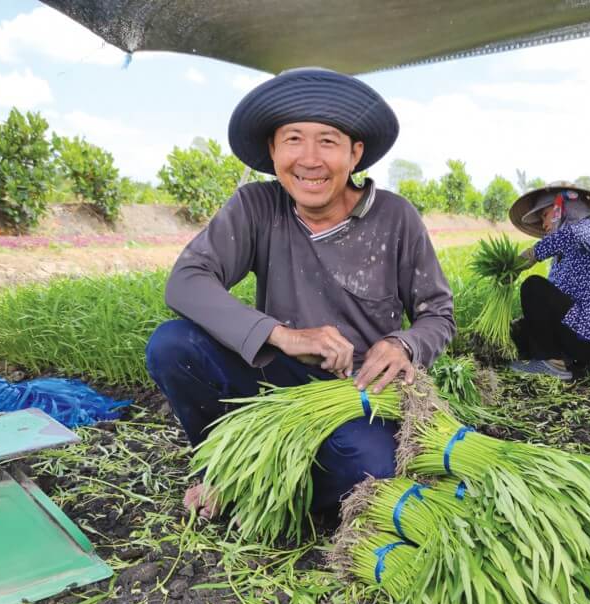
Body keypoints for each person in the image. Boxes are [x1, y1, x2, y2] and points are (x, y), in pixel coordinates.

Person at [144, 68, 455, 519]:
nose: (309, 159)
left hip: (357, 394)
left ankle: (262, 480)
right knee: (174, 345)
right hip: (274, 378)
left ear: (355, 153)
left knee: (371, 469)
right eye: (293, 139)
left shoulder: (395, 217)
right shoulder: (257, 206)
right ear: (273, 151)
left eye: (328, 141)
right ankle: (223, 466)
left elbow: (438, 315)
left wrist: (402, 343)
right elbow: (187, 279)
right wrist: (284, 336)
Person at [507, 181, 590, 380]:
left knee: (533, 286)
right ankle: (570, 362)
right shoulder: (562, 255)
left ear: (560, 209)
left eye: (545, 216)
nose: (544, 225)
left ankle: (553, 364)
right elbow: (553, 304)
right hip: (578, 335)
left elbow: (572, 235)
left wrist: (533, 253)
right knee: (521, 331)